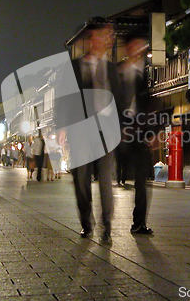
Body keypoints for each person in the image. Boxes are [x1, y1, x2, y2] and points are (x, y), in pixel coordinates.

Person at [56, 22, 123, 245]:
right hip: (80, 131)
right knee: (81, 178)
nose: (101, 41)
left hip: (106, 132)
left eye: (105, 37)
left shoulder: (111, 68)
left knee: (105, 178)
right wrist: (62, 126)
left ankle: (107, 225)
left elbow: (119, 101)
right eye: (97, 37)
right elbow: (63, 97)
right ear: (90, 40)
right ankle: (87, 223)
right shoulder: (73, 67)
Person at [118, 35, 154, 235]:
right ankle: (99, 223)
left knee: (142, 178)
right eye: (134, 45)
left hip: (138, 132)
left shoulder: (143, 73)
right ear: (127, 48)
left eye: (141, 45)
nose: (138, 48)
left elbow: (146, 106)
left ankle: (138, 222)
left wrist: (149, 133)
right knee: (107, 175)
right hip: (119, 130)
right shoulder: (118, 72)